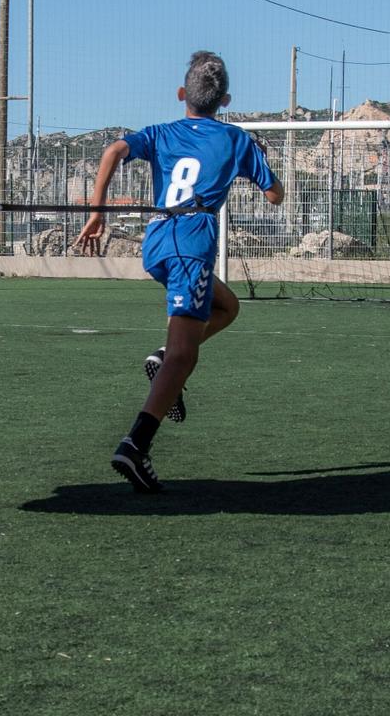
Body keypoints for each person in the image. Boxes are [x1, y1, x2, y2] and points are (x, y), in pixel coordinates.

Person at [75, 51, 284, 492]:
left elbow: (113, 149)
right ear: (224, 100)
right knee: (186, 355)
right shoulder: (236, 139)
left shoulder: (162, 132)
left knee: (227, 306)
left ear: (182, 94)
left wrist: (97, 212)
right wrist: (260, 154)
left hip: (158, 241)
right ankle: (135, 446)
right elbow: (275, 197)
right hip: (192, 242)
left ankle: (162, 357)